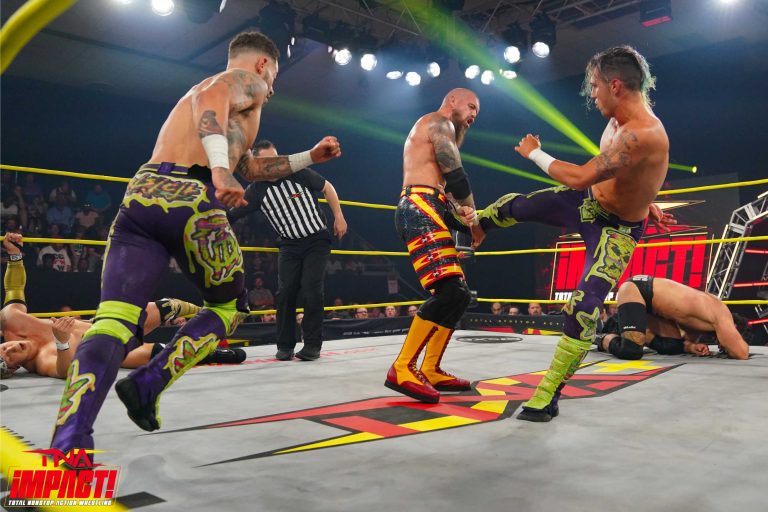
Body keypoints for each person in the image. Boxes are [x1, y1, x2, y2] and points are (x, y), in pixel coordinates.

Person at [49, 31, 341, 459]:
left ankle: (68, 443)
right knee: (229, 307)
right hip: (193, 198)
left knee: (113, 321)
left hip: (143, 195)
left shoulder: (222, 108)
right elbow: (213, 103)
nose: (273, 88)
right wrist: (219, 171)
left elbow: (252, 169)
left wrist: (309, 157)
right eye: (274, 77)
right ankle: (149, 383)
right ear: (262, 64)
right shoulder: (241, 81)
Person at [476, 46, 674, 422]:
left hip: (615, 231)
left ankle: (548, 393)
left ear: (615, 86)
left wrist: (535, 153)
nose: (591, 94)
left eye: (595, 86)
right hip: (588, 204)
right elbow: (638, 171)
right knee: (521, 206)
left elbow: (581, 176)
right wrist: (647, 199)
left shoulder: (642, 133)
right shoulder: (619, 120)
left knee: (584, 307)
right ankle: (474, 225)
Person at [0, 234, 243, 380]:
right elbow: (63, 371)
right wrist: (62, 342)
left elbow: (14, 289)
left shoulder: (12, 320)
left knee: (169, 306)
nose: (11, 348)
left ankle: (216, 314)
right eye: (10, 357)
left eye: (3, 348)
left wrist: (14, 255)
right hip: (107, 347)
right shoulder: (41, 360)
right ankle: (211, 354)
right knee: (159, 354)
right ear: (13, 369)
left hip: (105, 323)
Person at [387, 88, 482, 404]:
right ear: (452, 100)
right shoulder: (438, 122)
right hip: (419, 207)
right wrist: (474, 217)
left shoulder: (446, 131)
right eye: (471, 106)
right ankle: (403, 367)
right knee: (449, 291)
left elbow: (446, 188)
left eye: (477, 112)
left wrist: (461, 215)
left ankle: (430, 367)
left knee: (459, 295)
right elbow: (455, 174)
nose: (473, 115)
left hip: (433, 207)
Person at [228, 140, 347, 362]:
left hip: (316, 240)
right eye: (267, 161)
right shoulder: (255, 191)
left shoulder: (297, 172)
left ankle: (312, 345)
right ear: (256, 164)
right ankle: (284, 346)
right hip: (289, 245)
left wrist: (339, 216)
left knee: (312, 290)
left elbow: (327, 187)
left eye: (276, 158)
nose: (274, 164)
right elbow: (231, 214)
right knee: (285, 293)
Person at [595, 275, 750, 360]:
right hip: (637, 290)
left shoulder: (706, 321)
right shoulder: (721, 314)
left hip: (654, 309)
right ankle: (600, 338)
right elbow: (741, 353)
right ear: (734, 328)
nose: (721, 346)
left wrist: (692, 347)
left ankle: (625, 332)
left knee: (671, 346)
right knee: (631, 351)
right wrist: (732, 343)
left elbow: (683, 341)